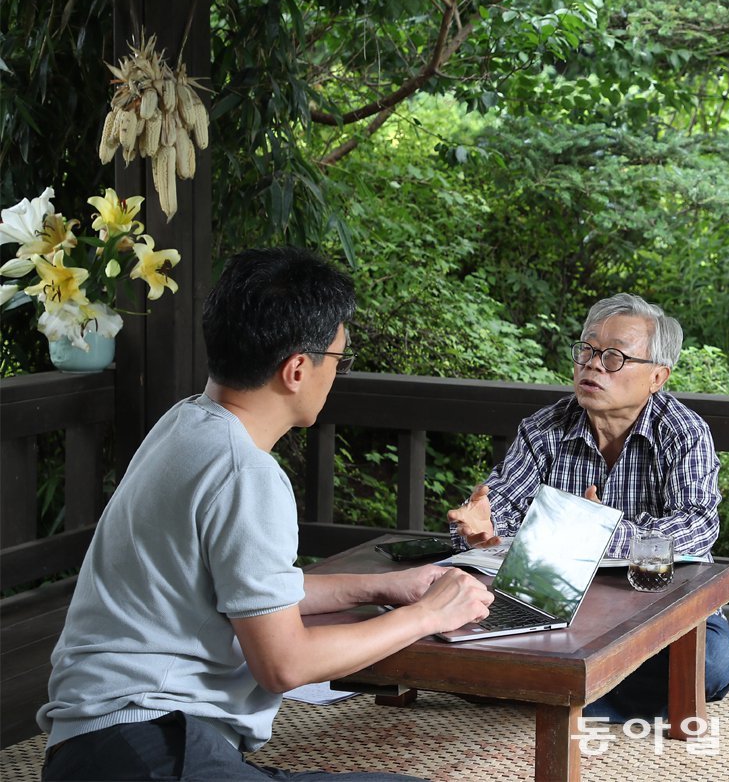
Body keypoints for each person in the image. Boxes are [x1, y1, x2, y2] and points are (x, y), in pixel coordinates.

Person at [38, 247, 494, 781]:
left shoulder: (184, 424)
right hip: (148, 748)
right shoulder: (246, 474)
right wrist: (431, 615)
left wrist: (383, 587)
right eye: (339, 360)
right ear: (298, 368)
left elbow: (247, 593)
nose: (337, 375)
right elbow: (285, 665)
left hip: (99, 745)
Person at [447, 293, 729, 723]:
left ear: (657, 376)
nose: (593, 364)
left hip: (658, 602)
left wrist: (596, 530)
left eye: (615, 356)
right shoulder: (544, 428)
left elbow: (696, 526)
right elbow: (499, 508)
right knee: (456, 630)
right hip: (557, 598)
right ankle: (564, 687)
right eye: (587, 349)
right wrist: (480, 526)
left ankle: (542, 693)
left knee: (712, 664)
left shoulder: (685, 433)